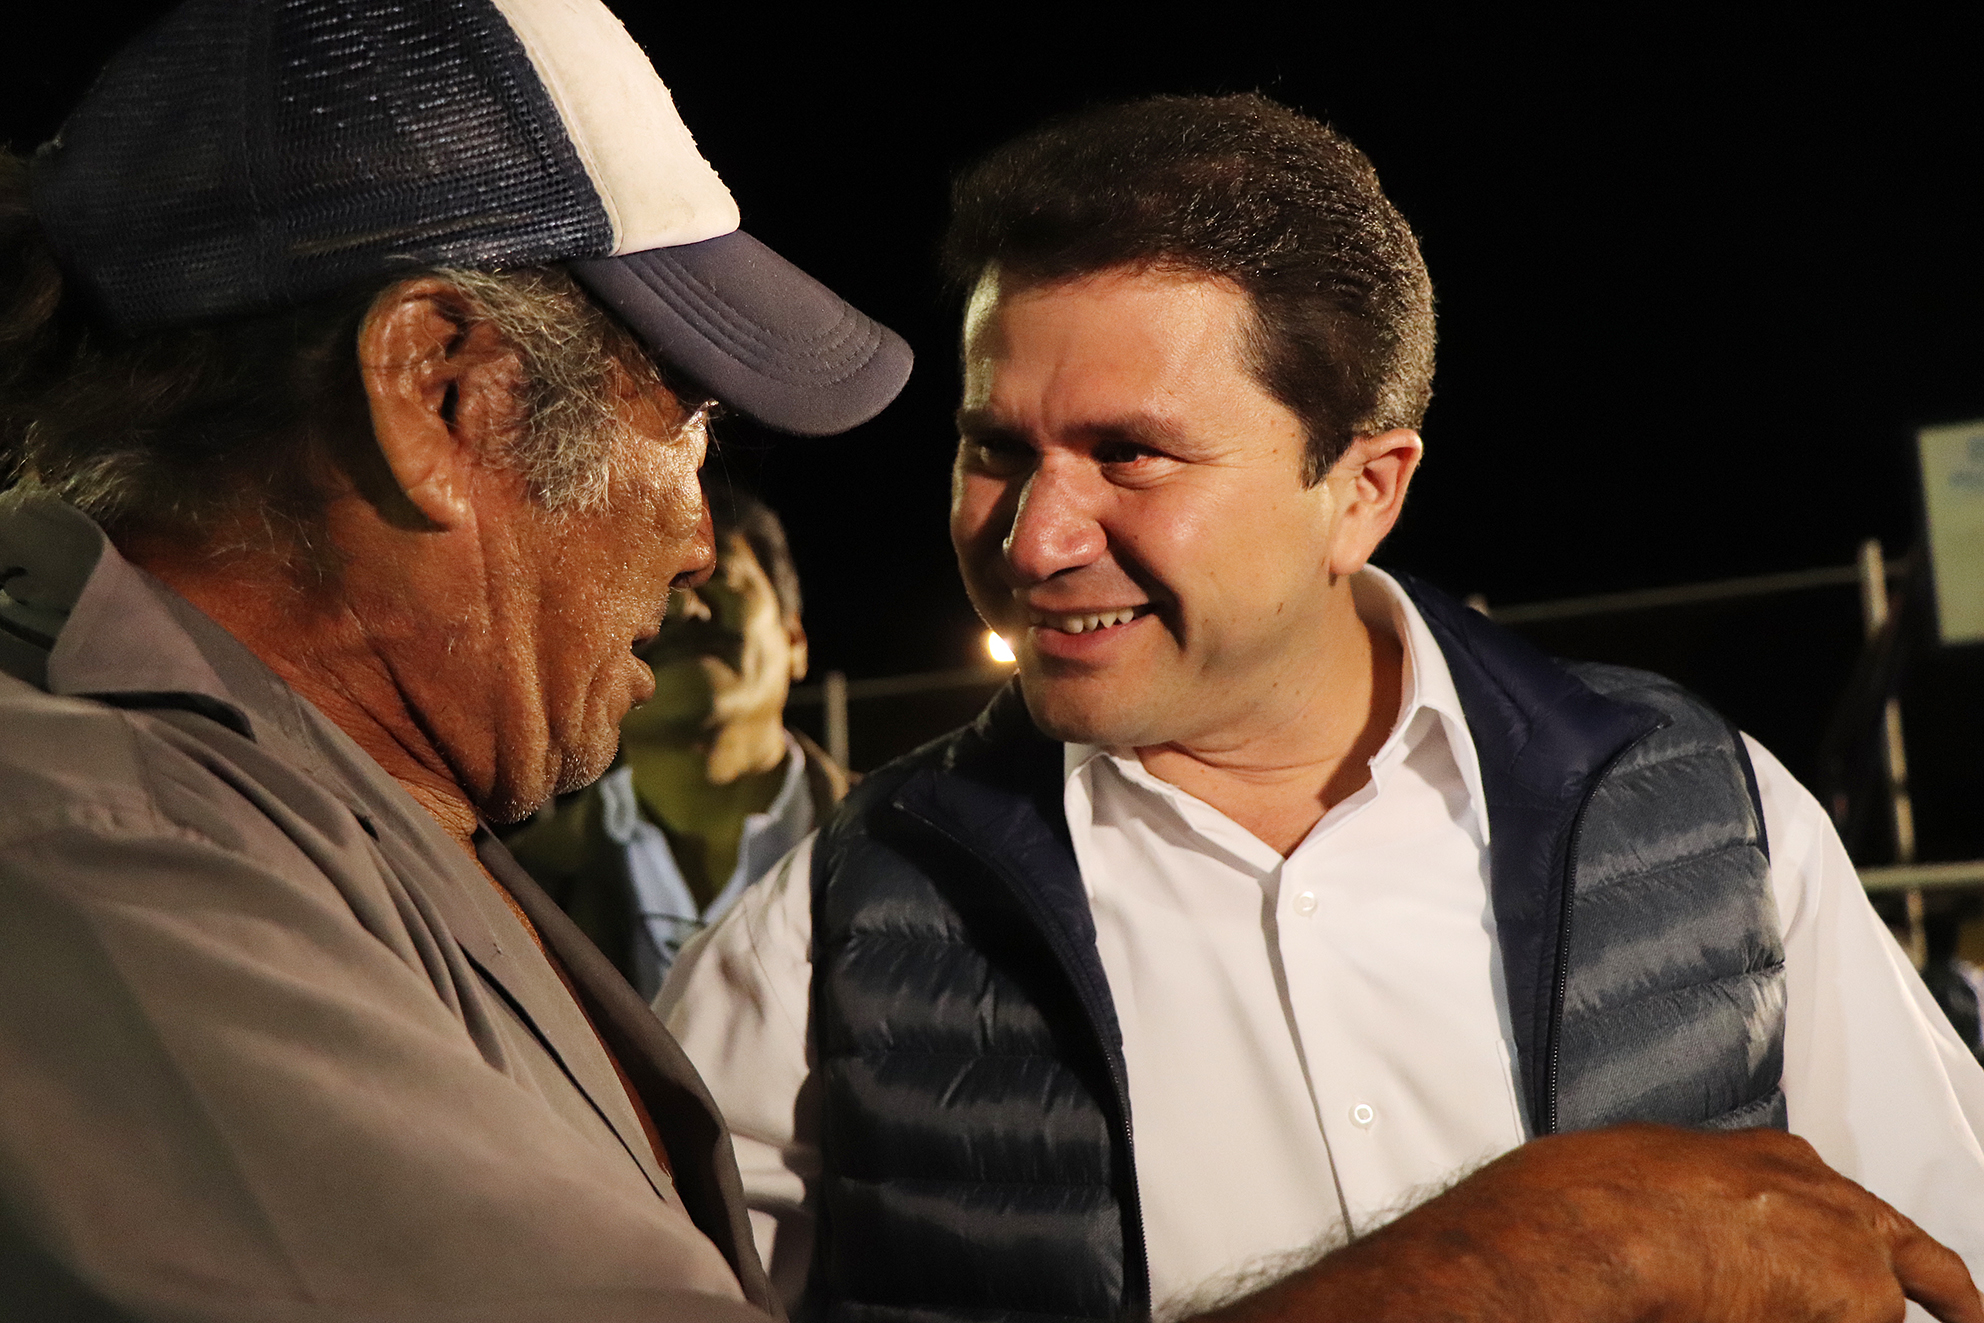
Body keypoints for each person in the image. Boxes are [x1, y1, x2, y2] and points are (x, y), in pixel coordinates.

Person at [660, 94, 1984, 1323]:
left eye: (1131, 454)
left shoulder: (1711, 814)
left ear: (1363, 490)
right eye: (995, 448)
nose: (1036, 537)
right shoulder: (819, 936)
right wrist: (1515, 1259)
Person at [0, 0, 911, 1316]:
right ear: (440, 392)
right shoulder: (97, 843)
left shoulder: (334, 790)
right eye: (683, 411)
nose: (702, 543)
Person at [510, 487, 847, 999]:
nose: (683, 609)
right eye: (646, 586)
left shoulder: (913, 850)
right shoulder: (513, 889)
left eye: (716, 576)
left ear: (795, 639)